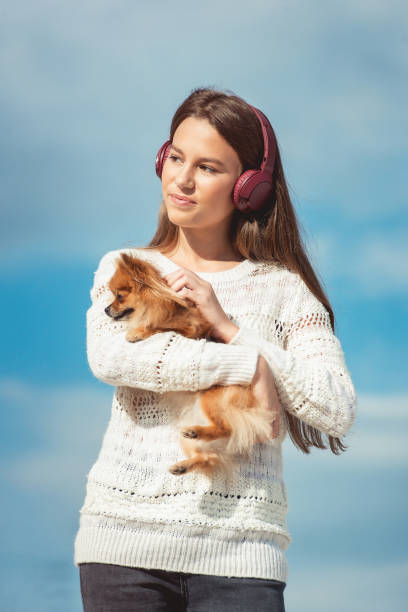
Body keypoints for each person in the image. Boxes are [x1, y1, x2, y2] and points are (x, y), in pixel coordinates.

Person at [74, 87, 357, 611]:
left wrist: (230, 327)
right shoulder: (124, 267)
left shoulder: (285, 289)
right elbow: (114, 358)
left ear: (248, 188)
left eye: (207, 167)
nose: (182, 180)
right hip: (122, 547)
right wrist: (247, 364)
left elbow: (335, 406)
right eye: (176, 158)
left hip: (241, 558)